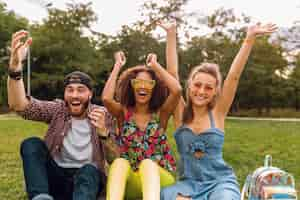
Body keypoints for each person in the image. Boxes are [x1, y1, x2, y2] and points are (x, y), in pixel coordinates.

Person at [160, 22, 277, 200]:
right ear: (189, 85)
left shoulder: (218, 112)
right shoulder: (180, 111)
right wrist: (170, 34)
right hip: (188, 183)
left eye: (208, 87)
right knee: (166, 195)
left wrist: (250, 37)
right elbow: (172, 73)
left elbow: (234, 76)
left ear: (215, 91)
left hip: (220, 183)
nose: (201, 91)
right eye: (197, 85)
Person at [7, 30, 114, 200]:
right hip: (57, 179)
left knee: (88, 170)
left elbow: (115, 159)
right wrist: (15, 70)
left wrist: (104, 133)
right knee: (31, 144)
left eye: (80, 90)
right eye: (70, 90)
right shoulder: (58, 109)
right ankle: (41, 197)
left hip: (88, 182)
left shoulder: (103, 115)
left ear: (90, 94)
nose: (74, 95)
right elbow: (19, 106)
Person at [102, 51, 182, 200]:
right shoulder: (123, 114)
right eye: (137, 82)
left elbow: (177, 90)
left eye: (148, 83)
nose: (142, 86)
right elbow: (106, 98)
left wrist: (155, 66)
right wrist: (117, 65)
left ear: (154, 88)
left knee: (147, 164)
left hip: (160, 180)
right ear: (131, 86)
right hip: (133, 181)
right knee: (119, 163)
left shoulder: (161, 114)